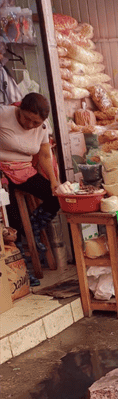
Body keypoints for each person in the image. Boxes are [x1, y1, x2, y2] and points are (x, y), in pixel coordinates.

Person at [0, 93, 64, 269]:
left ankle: (33, 231)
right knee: (11, 215)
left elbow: (44, 154)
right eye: (26, 118)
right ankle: (20, 266)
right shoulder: (3, 114)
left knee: (56, 198)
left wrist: (54, 180)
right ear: (19, 109)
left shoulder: (42, 126)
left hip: (25, 169)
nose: (30, 125)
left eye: (35, 123)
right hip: (1, 170)